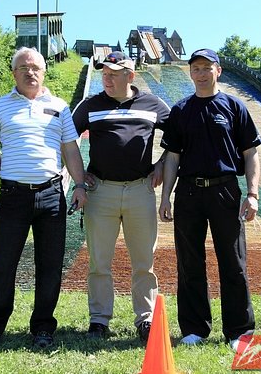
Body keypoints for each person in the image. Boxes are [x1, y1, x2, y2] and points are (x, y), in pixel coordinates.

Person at [0, 47, 87, 349]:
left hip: (52, 195)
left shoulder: (60, 107)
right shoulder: (0, 107)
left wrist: (79, 185)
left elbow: (70, 150)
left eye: (36, 67)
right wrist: (8, 175)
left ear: (44, 71)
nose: (30, 72)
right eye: (23, 67)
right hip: (13, 197)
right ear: (13, 73)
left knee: (50, 265)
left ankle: (42, 327)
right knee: (2, 262)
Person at [158, 48, 261, 351]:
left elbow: (251, 154)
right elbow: (172, 158)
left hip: (225, 190)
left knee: (233, 262)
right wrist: (165, 197)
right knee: (189, 262)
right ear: (190, 73)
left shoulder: (234, 107)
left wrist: (253, 194)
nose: (201, 73)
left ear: (218, 71)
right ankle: (194, 329)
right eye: (196, 68)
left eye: (206, 67)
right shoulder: (180, 110)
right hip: (188, 192)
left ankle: (239, 331)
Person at [72, 51, 170, 344]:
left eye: (114, 74)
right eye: (104, 73)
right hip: (101, 191)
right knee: (99, 261)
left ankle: (146, 319)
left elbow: (180, 135)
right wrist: (79, 179)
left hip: (141, 190)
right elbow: (67, 139)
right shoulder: (90, 105)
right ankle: (99, 320)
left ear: (130, 75)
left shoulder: (153, 104)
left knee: (143, 261)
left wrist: (163, 164)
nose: (107, 78)